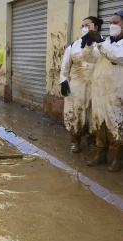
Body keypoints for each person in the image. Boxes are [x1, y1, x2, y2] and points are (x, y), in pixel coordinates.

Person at [81, 10, 123, 172]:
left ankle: (117, 159)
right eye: (111, 23)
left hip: (116, 93)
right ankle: (100, 154)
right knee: (99, 122)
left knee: (115, 124)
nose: (112, 26)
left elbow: (117, 56)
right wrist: (89, 44)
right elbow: (89, 58)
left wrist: (99, 43)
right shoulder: (107, 42)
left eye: (116, 22)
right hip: (99, 92)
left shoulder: (111, 45)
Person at [59, 16, 103, 153]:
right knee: (75, 114)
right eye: (82, 26)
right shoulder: (73, 45)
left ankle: (92, 140)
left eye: (87, 25)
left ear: (95, 27)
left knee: (93, 114)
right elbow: (65, 67)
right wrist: (63, 81)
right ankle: (75, 141)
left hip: (95, 86)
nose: (84, 28)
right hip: (76, 87)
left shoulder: (103, 45)